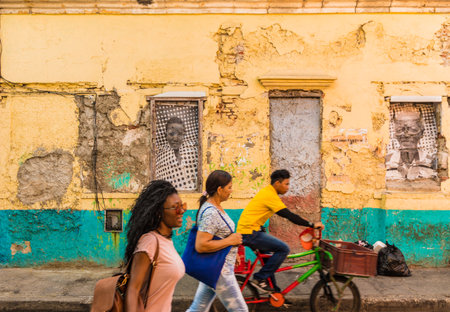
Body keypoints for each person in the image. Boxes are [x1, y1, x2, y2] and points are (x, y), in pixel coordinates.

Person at [236, 169, 324, 293]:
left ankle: (275, 293)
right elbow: (288, 215)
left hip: (252, 230)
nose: (288, 187)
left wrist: (307, 223)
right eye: (286, 184)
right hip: (250, 233)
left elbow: (290, 215)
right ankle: (259, 278)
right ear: (277, 183)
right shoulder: (269, 195)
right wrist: (312, 224)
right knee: (283, 249)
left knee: (268, 260)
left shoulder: (269, 192)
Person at [187, 170, 248, 312]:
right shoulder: (211, 212)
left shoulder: (215, 207)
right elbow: (201, 245)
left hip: (216, 266)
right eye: (229, 187)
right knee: (240, 310)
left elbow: (219, 236)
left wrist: (233, 251)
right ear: (220, 190)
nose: (231, 191)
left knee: (198, 308)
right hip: (220, 270)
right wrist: (231, 241)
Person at [125, 180, 186, 312]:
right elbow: (133, 289)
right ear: (159, 212)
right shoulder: (150, 242)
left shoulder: (166, 240)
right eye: (176, 207)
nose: (181, 211)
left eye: (182, 206)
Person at [386, 110, 436, 180]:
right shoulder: (387, 161)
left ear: (421, 133)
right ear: (395, 134)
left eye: (412, 129)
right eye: (400, 130)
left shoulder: (430, 161)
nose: (406, 134)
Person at [155, 116, 198, 190]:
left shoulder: (193, 155)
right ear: (166, 136)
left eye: (179, 134)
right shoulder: (159, 160)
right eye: (171, 134)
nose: (175, 138)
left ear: (184, 135)